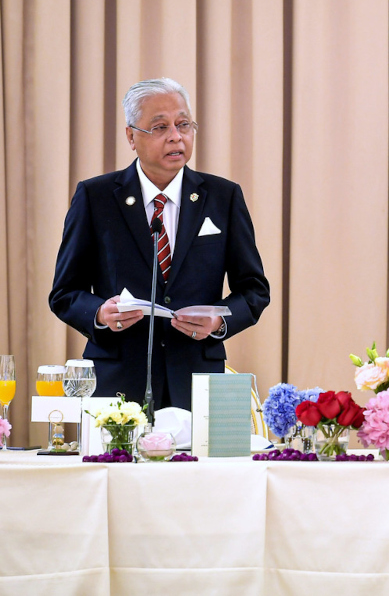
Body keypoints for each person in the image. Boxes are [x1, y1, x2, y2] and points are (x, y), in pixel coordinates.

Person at [49, 78, 270, 411]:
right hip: (117, 382)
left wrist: (218, 322)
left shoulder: (223, 197)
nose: (176, 136)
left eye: (183, 124)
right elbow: (64, 292)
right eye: (160, 127)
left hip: (198, 382)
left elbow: (254, 290)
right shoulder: (96, 197)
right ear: (131, 136)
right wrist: (98, 313)